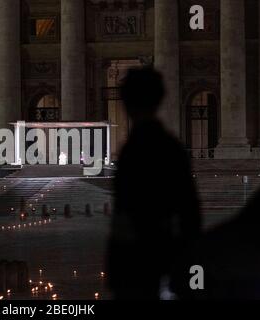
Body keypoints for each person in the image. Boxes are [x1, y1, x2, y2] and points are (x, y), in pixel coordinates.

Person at [107, 67, 201, 300]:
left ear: (126, 103)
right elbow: (191, 211)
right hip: (164, 251)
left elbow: (123, 213)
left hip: (134, 259)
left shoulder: (131, 151)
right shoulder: (171, 146)